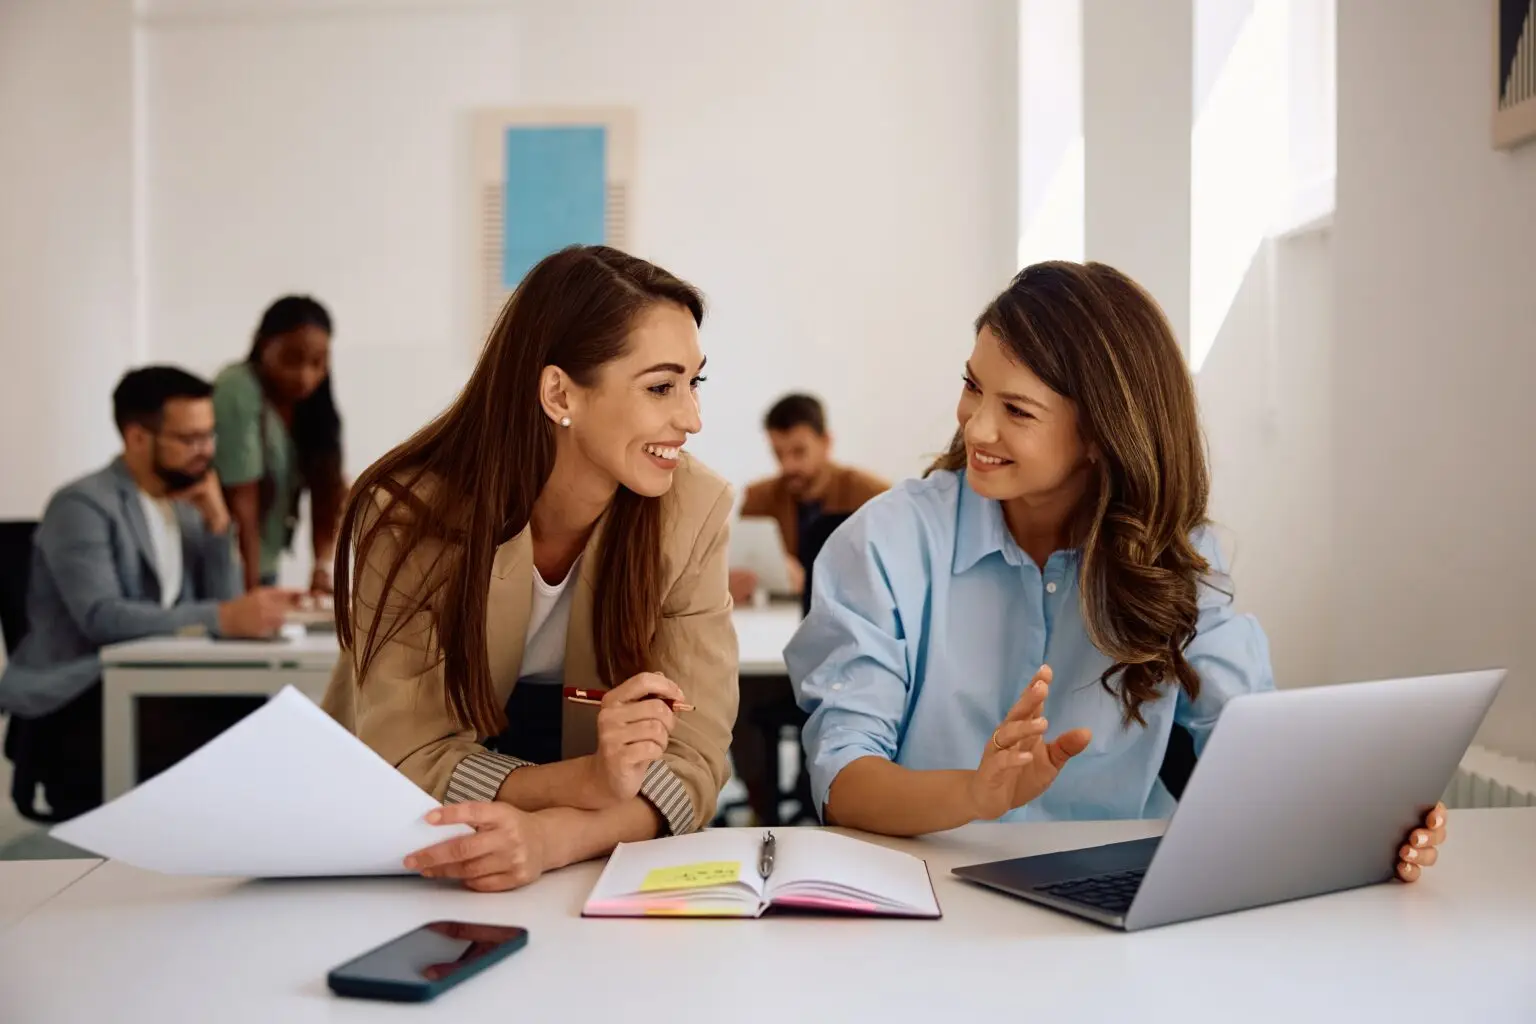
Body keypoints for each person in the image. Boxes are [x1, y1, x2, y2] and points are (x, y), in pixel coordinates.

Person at [787, 261, 1445, 883]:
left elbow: (1247, 742)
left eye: (1017, 410)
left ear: (1101, 435)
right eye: (972, 386)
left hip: (1113, 887)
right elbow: (843, 781)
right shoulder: (884, 542)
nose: (976, 426)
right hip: (929, 889)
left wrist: (1367, 821)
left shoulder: (1174, 554)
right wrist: (975, 794)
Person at [322, 245, 738, 893]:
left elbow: (695, 760)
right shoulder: (412, 515)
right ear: (559, 392)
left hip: (569, 872)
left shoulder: (694, 509)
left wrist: (556, 838)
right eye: (661, 387)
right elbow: (410, 755)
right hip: (396, 853)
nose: (692, 418)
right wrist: (584, 784)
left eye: (694, 383)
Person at [0, 367, 300, 818]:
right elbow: (102, 618)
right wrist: (222, 616)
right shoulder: (83, 505)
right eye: (189, 439)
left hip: (158, 687)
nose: (206, 451)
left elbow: (226, 610)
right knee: (244, 730)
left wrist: (219, 528)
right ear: (137, 437)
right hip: (81, 699)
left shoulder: (189, 504)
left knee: (265, 714)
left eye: (210, 435)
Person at [212, 296, 346, 594]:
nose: (305, 376)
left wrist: (323, 568)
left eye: (318, 362)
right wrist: (252, 594)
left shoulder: (311, 405)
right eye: (291, 359)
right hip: (229, 568)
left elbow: (325, 490)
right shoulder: (237, 387)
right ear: (263, 345)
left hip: (266, 564)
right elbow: (243, 503)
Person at [730, 393, 887, 602]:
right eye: (778, 454)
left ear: (826, 442)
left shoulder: (872, 496)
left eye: (799, 452)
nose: (788, 466)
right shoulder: (758, 498)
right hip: (778, 618)